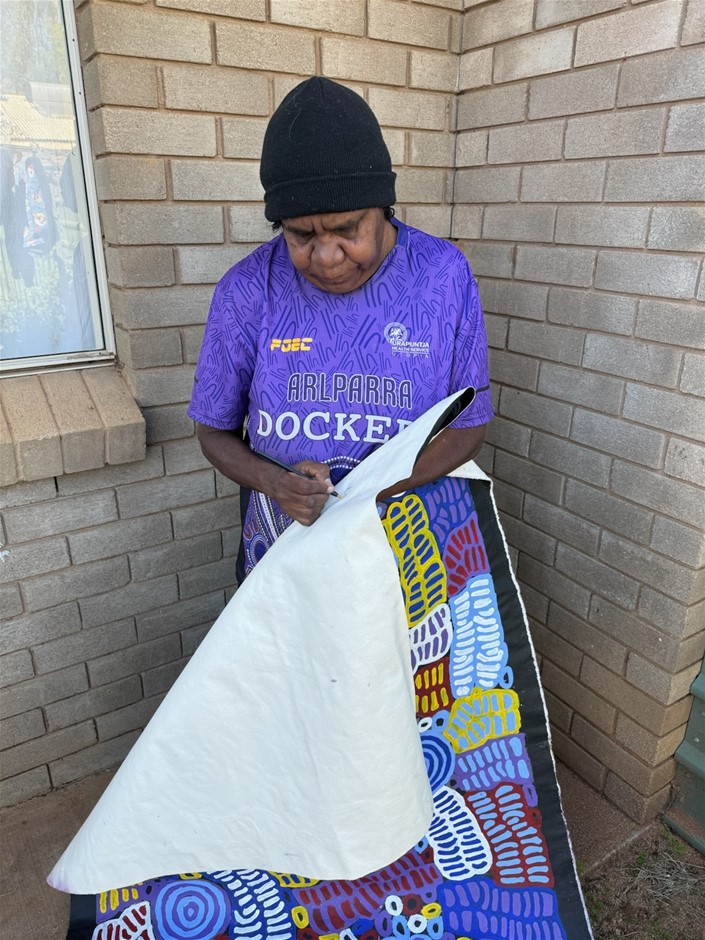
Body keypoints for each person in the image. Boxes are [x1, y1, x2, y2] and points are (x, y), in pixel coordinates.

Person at [187, 77, 493, 580]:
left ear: (382, 209)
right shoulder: (246, 290)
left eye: (347, 229)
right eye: (300, 235)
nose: (326, 257)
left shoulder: (443, 276)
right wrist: (277, 482)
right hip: (285, 561)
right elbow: (213, 429)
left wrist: (367, 494)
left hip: (404, 554)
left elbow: (468, 425)